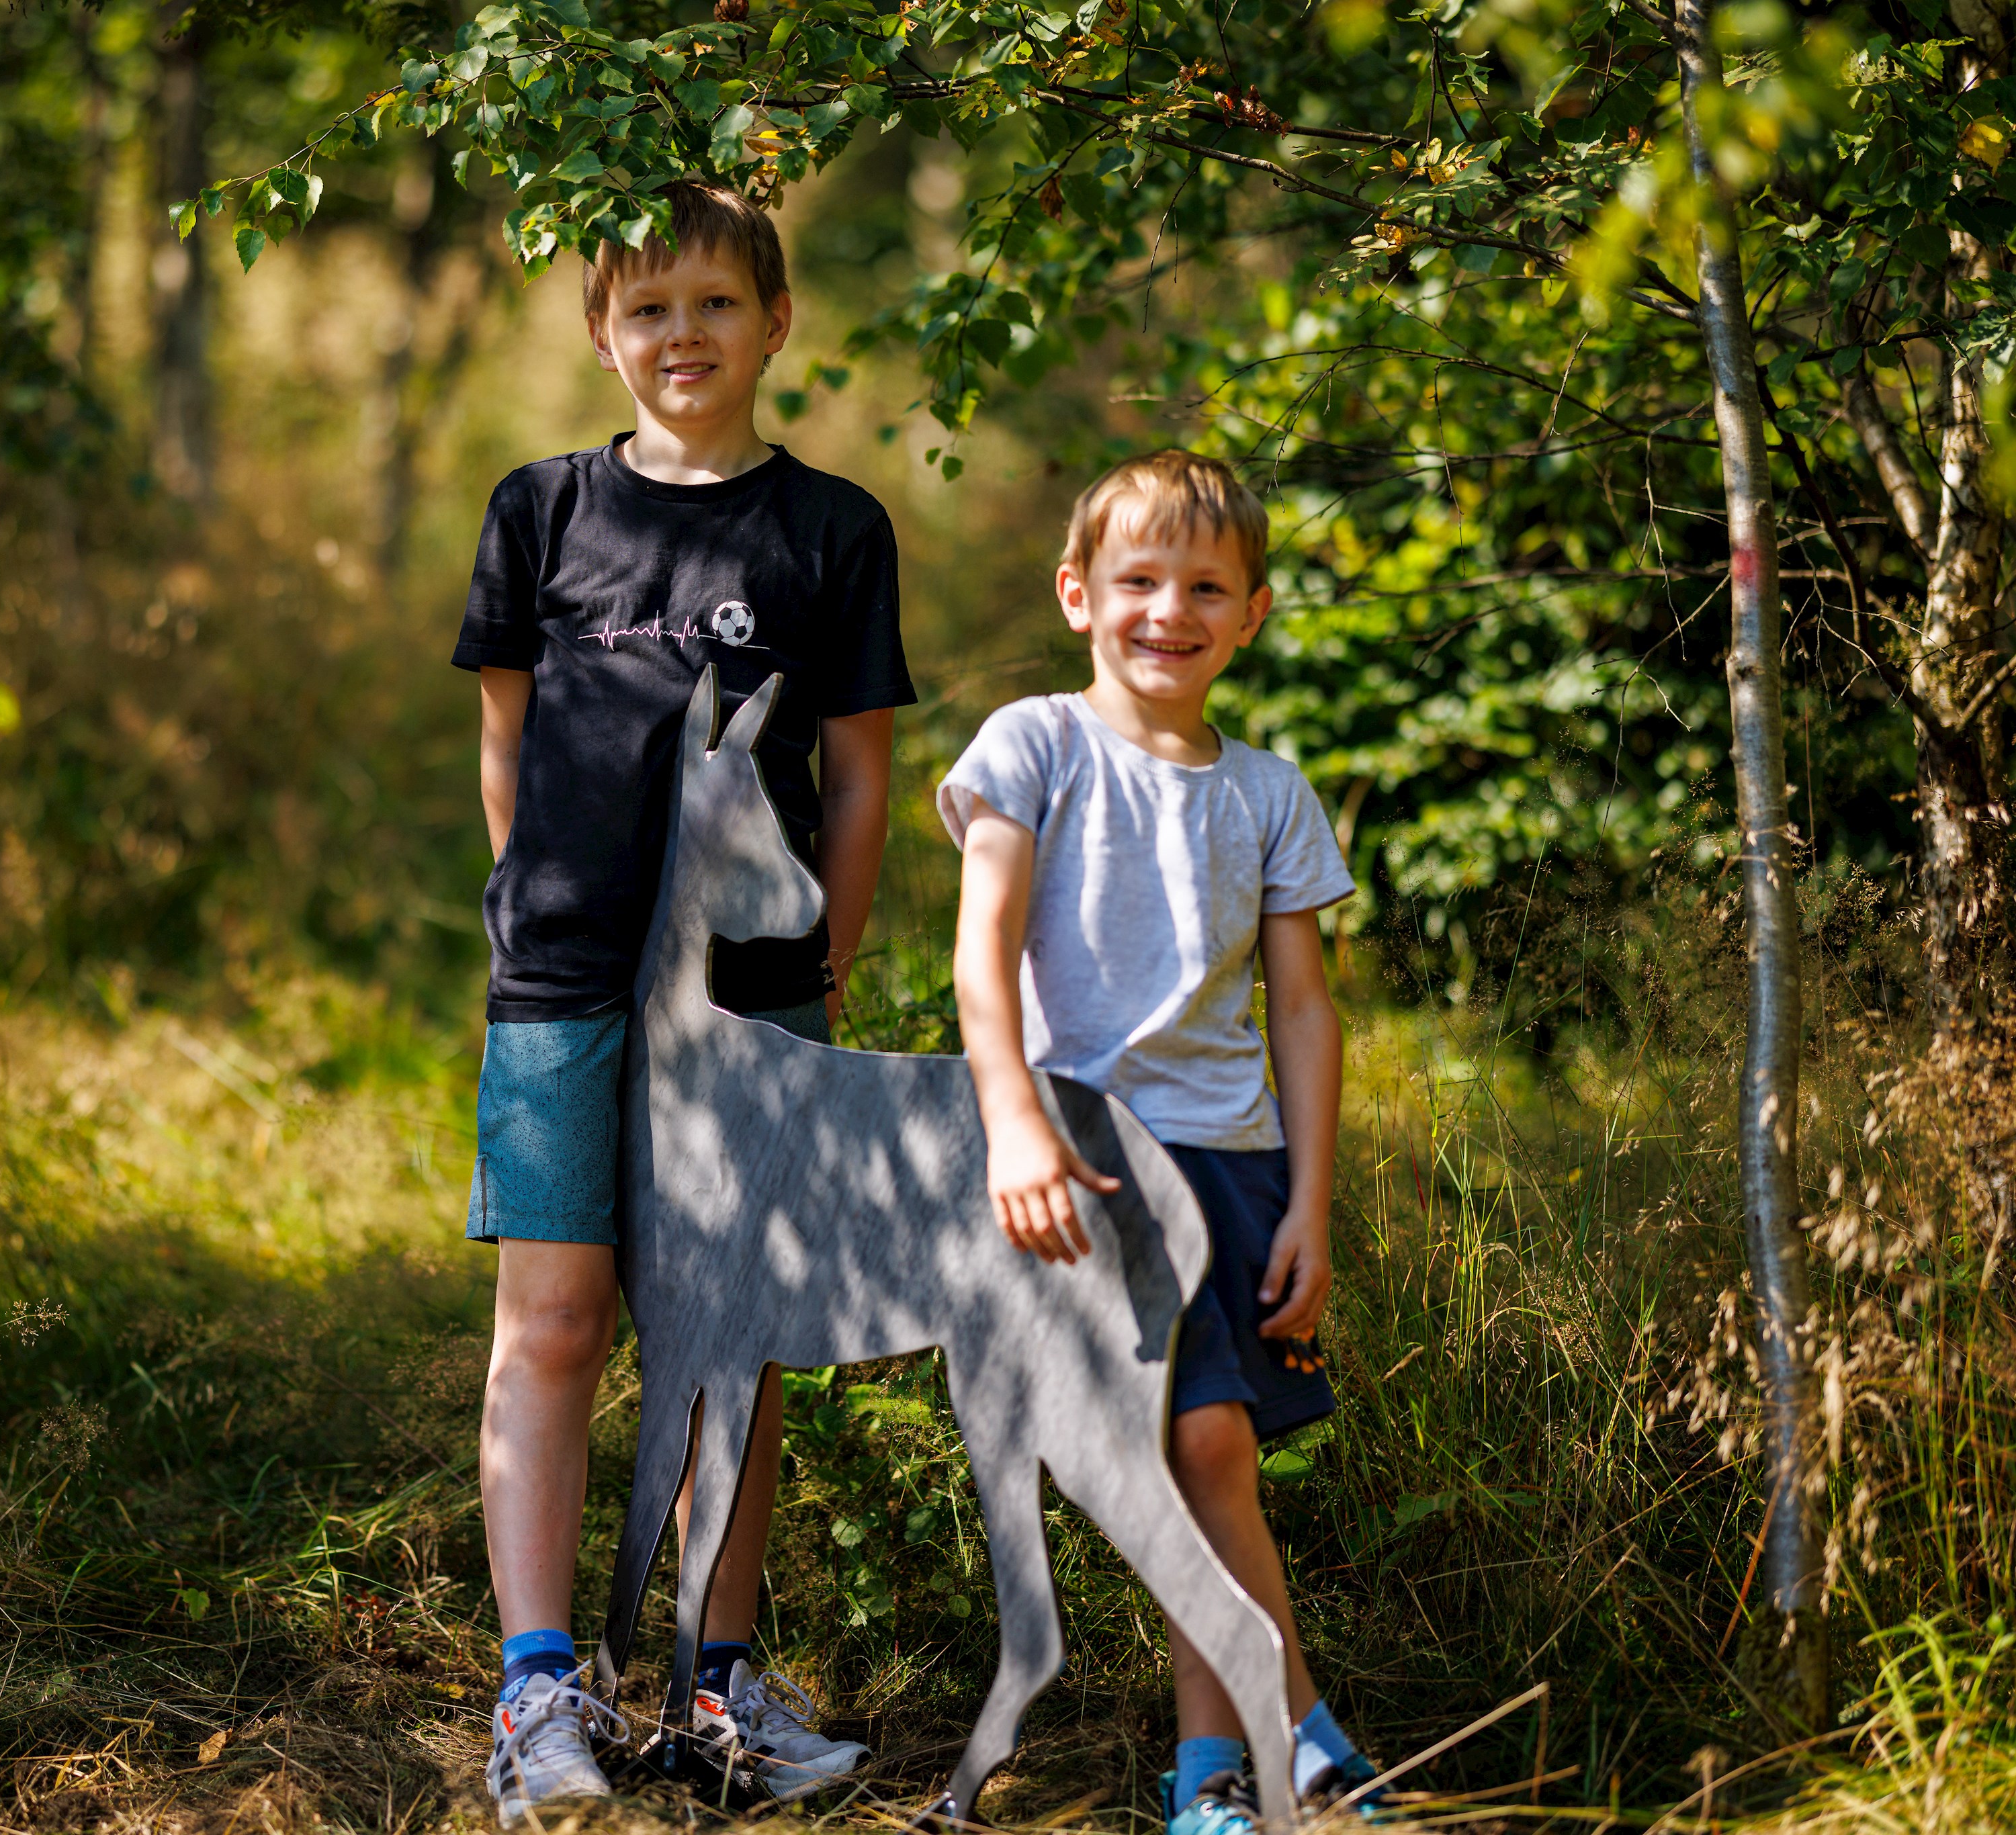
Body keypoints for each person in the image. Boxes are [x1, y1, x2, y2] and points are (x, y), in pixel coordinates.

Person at [452, 179, 916, 1827]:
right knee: (555, 1325)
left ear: (774, 323)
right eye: (646, 310)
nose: (681, 336)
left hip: (754, 1002)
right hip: (564, 979)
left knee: (725, 1351)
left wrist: (822, 967)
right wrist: (534, 904)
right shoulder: (541, 511)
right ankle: (537, 1695)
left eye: (715, 304)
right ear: (599, 331)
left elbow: (856, 776)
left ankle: (716, 1691)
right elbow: (508, 734)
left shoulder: (828, 529)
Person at [940, 451, 1385, 1832]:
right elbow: (983, 944)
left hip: (1236, 1163)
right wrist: (1010, 1116)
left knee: (1211, 1464)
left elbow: (1303, 1009)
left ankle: (1211, 1780)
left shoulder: (1268, 793)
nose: (1165, 611)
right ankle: (1296, 1729)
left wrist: (1310, 1200)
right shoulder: (1034, 744)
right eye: (1135, 581)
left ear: (1249, 613)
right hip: (1082, 1157)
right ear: (1078, 595)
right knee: (1198, 1443)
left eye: (1203, 586)